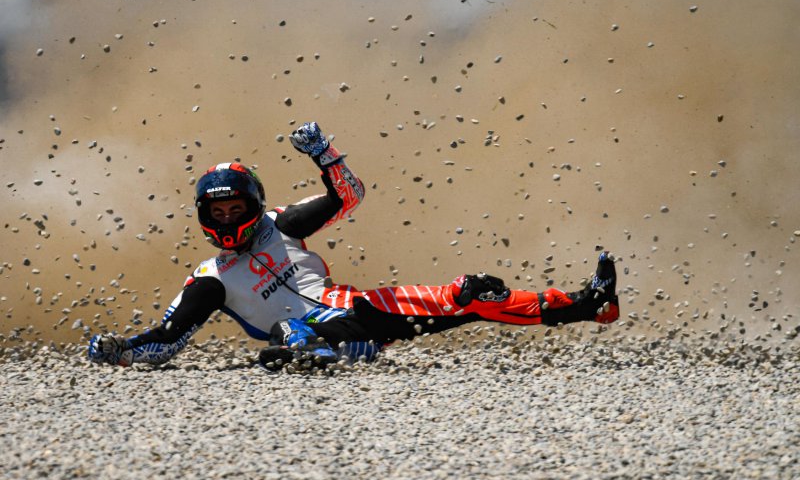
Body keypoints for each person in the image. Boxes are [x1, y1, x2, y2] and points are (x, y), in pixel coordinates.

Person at [88, 122, 620, 371]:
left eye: (236, 208)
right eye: (217, 213)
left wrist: (325, 153)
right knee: (291, 330)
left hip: (361, 309)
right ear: (205, 219)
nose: (228, 219)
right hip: (311, 331)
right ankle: (315, 351)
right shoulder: (210, 278)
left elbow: (349, 196)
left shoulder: (279, 223)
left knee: (472, 293)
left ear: (255, 205)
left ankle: (591, 305)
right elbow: (167, 341)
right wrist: (120, 349)